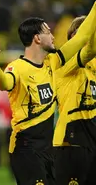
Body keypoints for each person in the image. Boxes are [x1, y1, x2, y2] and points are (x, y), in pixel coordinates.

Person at [0, 2, 96, 185]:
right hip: (26, 147)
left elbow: (82, 38)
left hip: (48, 149)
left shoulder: (53, 62)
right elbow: (3, 83)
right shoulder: (18, 67)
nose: (53, 36)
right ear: (37, 38)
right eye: (48, 31)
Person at [53, 15, 96, 185]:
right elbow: (89, 50)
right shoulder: (65, 62)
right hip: (70, 141)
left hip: (91, 140)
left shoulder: (93, 68)